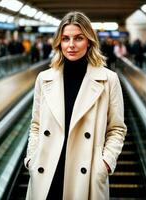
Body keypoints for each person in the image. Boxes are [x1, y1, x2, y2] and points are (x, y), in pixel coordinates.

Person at [24, 11, 127, 200]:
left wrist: (104, 164)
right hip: (46, 172)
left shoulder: (108, 80)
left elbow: (117, 129)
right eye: (65, 39)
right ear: (59, 43)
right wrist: (31, 158)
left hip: (86, 176)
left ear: (89, 41)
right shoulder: (44, 79)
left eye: (78, 38)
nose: (71, 45)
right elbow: (36, 125)